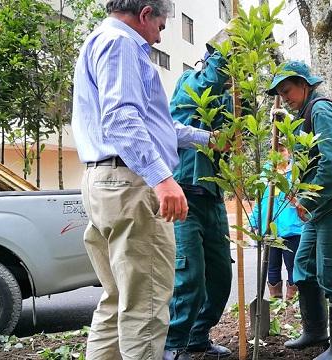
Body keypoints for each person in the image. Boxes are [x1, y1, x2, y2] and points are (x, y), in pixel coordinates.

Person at [71, 1, 217, 358]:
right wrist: (163, 179)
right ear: (145, 13)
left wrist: (206, 139)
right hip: (131, 183)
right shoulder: (122, 44)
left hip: (104, 180)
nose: (161, 34)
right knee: (147, 308)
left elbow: (156, 126)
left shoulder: (99, 40)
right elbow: (122, 118)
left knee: (118, 299)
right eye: (162, 25)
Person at [266, 61, 332, 360]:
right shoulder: (304, 114)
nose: (285, 97)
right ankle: (315, 330)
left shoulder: (320, 110)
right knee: (303, 269)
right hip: (319, 210)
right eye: (280, 93)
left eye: (288, 90)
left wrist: (306, 202)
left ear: (305, 84)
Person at [162, 42, 234, 360]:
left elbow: (231, 140)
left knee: (221, 276)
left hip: (214, 198)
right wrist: (228, 51)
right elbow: (208, 82)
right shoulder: (191, 81)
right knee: (189, 274)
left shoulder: (229, 100)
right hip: (185, 193)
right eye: (230, 68)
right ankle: (173, 344)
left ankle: (197, 336)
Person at [248, 142, 303, 301]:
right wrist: (253, 222)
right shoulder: (265, 175)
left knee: (292, 266)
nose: (279, 154)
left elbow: (305, 199)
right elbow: (261, 201)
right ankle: (275, 302)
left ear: (289, 152)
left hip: (292, 228)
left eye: (282, 150)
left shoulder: (296, 173)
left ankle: (291, 302)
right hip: (270, 229)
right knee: (272, 267)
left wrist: (296, 201)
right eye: (275, 151)